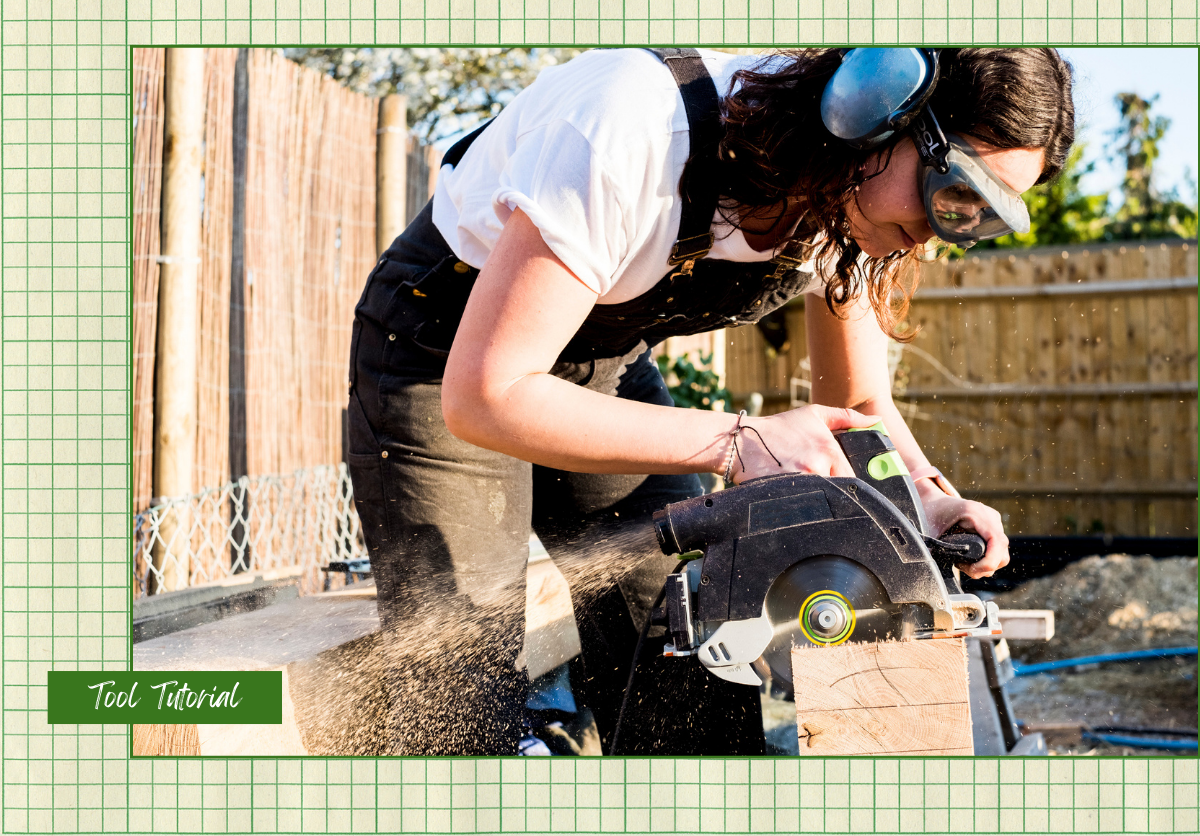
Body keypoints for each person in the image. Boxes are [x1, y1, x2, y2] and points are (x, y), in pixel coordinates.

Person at [346, 46, 1075, 755]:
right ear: (878, 106)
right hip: (443, 360)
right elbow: (490, 395)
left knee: (686, 642)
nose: (947, 228)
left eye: (982, 215)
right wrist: (741, 439)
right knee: (466, 685)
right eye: (954, 191)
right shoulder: (631, 125)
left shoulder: (846, 204)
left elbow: (855, 398)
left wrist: (924, 501)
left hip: (600, 364)